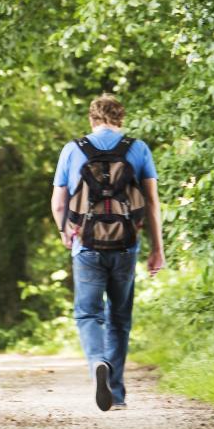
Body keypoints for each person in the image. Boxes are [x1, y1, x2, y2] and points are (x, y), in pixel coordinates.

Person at [50, 94, 164, 412]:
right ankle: (115, 392)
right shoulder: (138, 148)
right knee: (119, 318)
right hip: (126, 245)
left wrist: (65, 233)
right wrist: (158, 249)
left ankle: (97, 363)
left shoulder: (73, 149)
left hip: (85, 243)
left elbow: (59, 202)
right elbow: (152, 204)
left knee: (88, 314)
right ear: (120, 118)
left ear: (92, 119)